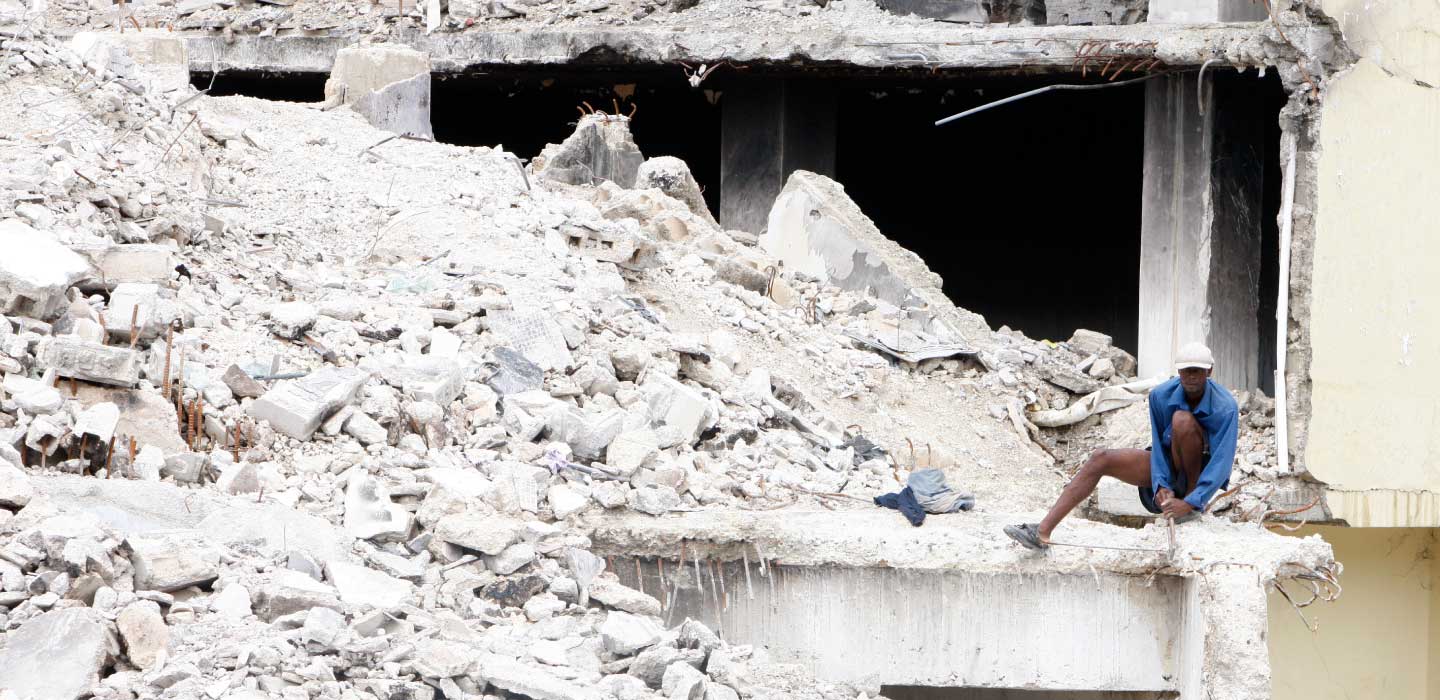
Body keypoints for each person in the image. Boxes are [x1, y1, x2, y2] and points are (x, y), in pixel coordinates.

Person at [1003, 341, 1238, 550]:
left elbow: (1221, 464)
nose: (1192, 377)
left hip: (1198, 477)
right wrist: (1160, 485)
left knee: (1182, 420)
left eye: (1198, 371)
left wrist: (1189, 502)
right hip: (1169, 463)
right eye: (1186, 371)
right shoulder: (1161, 396)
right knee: (1101, 458)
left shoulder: (1225, 406)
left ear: (1210, 371)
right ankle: (1042, 531)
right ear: (1178, 372)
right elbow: (1158, 445)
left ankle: (1189, 510)